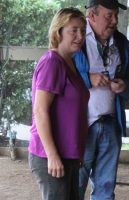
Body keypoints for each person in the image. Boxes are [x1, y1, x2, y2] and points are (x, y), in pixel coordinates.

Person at [73, 0, 129, 199]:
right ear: (91, 16)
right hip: (80, 126)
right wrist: (88, 79)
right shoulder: (75, 39)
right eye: (108, 16)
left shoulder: (122, 43)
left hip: (110, 124)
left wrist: (125, 86)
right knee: (75, 185)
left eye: (116, 16)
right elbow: (60, 78)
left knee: (106, 188)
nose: (114, 21)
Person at [28, 7, 89, 200]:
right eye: (74, 30)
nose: (80, 36)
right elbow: (40, 110)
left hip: (68, 155)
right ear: (58, 32)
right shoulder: (52, 63)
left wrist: (76, 152)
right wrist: (53, 155)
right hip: (51, 156)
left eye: (82, 31)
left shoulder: (70, 62)